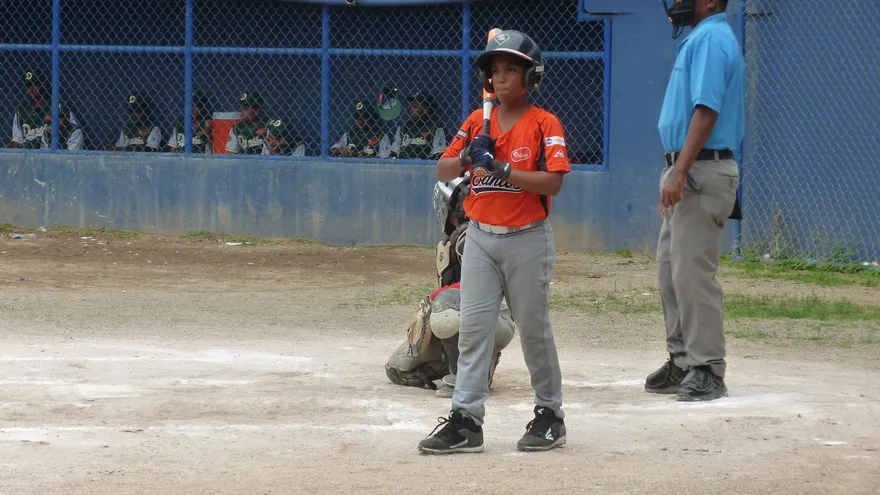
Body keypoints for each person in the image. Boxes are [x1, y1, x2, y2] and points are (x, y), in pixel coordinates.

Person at [417, 30, 571, 455]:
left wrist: (501, 167)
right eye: (495, 71)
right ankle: (466, 419)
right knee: (473, 329)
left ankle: (549, 414)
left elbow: (553, 183)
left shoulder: (544, 123)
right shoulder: (474, 122)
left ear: (531, 75)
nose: (501, 78)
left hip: (527, 240)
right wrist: (469, 157)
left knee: (534, 331)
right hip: (482, 239)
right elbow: (442, 170)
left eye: (511, 70)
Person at [648, 0, 744, 402]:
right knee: (670, 271)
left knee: (692, 274)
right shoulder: (701, 37)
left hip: (701, 171)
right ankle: (683, 359)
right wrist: (675, 171)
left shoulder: (711, 38)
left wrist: (681, 170)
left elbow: (707, 110)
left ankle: (707, 367)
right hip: (687, 171)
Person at [384, 175, 516, 398]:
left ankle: (466, 375)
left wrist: (436, 297)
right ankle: (475, 365)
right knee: (398, 369)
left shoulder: (476, 237)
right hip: (462, 315)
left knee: (446, 305)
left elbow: (483, 285)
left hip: (494, 319)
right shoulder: (459, 236)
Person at [10, 69, 83, 151]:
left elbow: (71, 129)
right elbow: (16, 142)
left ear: (43, 85)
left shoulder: (59, 107)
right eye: (28, 86)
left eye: (35, 85)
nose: (30, 90)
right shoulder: (21, 111)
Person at [390, 92, 448, 160]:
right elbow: (394, 153)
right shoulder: (404, 127)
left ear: (426, 109)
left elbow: (437, 155)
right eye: (411, 106)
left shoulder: (436, 128)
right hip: (402, 167)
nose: (411, 109)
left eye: (415, 107)